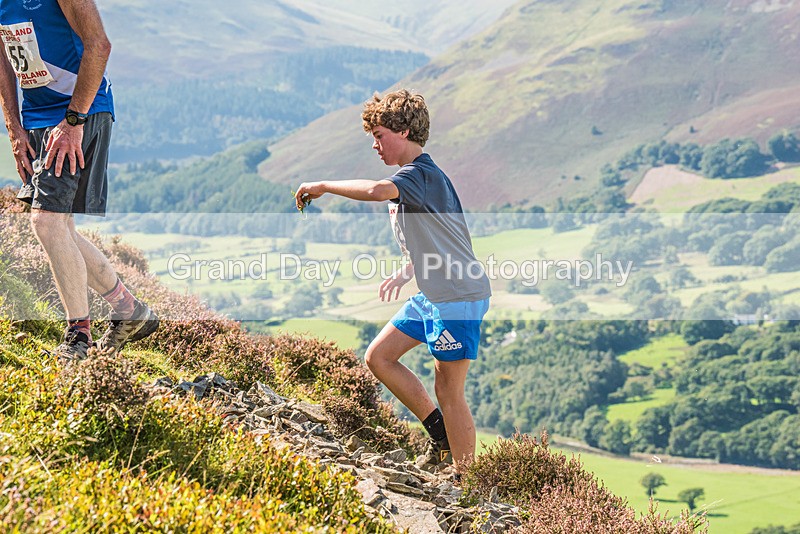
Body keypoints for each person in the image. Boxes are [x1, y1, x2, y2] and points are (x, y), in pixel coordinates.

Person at [294, 89, 491, 475]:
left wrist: (324, 186)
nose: (374, 144)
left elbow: (376, 190)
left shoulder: (420, 175)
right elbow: (439, 234)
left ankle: (470, 485)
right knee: (379, 357)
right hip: (433, 293)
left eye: (380, 135)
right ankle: (441, 439)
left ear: (403, 131)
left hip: (457, 298)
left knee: (449, 390)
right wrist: (408, 269)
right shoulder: (418, 180)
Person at [0, 0, 157, 360]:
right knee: (60, 228)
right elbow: (3, 56)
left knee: (47, 222)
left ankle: (78, 339)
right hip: (37, 119)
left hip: (79, 113)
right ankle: (130, 311)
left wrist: (73, 122)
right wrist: (13, 128)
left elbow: (99, 45)